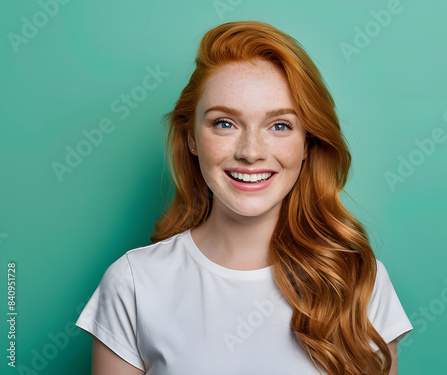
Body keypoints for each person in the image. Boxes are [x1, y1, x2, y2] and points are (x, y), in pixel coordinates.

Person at [76, 20, 413, 375]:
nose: (251, 152)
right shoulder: (133, 283)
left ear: (307, 145)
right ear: (191, 138)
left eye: (280, 125)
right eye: (225, 123)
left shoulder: (359, 280)